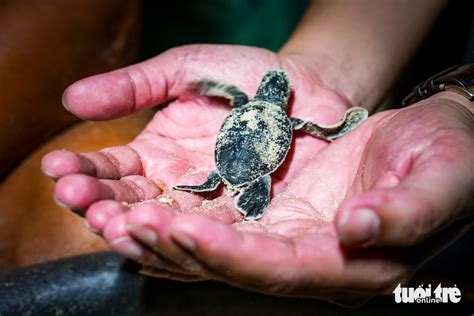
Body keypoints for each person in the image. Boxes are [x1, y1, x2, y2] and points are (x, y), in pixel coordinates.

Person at [39, 0, 473, 306]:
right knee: (244, 184)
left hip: (235, 150)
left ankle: (218, 182)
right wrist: (343, 120)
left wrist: (461, 103)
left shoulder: (244, 104)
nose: (279, 88)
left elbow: (234, 95)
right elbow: (319, 128)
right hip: (263, 155)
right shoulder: (287, 119)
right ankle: (234, 190)